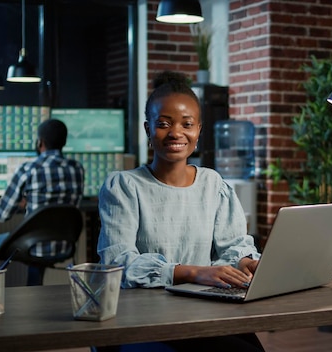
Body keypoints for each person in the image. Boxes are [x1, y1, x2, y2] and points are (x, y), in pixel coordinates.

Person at [96, 71, 264, 352]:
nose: (176, 133)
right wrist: (194, 273)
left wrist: (243, 263)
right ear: (148, 129)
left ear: (198, 130)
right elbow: (118, 264)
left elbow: (233, 247)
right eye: (163, 124)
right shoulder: (123, 186)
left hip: (204, 311)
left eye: (187, 124)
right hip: (143, 318)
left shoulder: (214, 184)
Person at [0, 119, 85, 280]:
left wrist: (14, 202)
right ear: (64, 142)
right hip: (64, 245)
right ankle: (33, 294)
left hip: (32, 246)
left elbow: (2, 215)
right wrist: (30, 201)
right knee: (38, 249)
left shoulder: (29, 168)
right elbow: (58, 205)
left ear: (40, 142)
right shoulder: (77, 168)